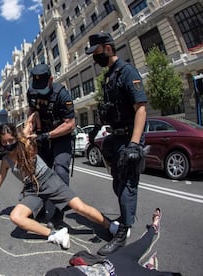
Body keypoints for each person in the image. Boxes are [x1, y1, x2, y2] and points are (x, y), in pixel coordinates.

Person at [0, 118, 118, 249]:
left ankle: (111, 226)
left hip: (49, 180)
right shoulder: (6, 161)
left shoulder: (25, 145)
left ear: (15, 138)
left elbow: (30, 123)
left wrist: (32, 121)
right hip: (32, 189)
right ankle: (55, 234)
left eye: (10, 140)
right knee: (16, 216)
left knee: (80, 207)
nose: (8, 144)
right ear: (0, 143)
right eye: (4, 142)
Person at [85, 32, 148, 256]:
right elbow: (110, 108)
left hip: (129, 137)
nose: (95, 57)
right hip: (116, 137)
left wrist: (134, 145)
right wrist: (96, 127)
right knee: (118, 183)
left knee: (127, 186)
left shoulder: (127, 71)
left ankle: (122, 234)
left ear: (108, 48)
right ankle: (126, 217)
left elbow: (140, 108)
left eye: (97, 52)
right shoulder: (110, 76)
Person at [45, 208, 182, 276]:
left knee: (143, 242)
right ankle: (147, 268)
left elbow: (55, 273)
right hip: (122, 272)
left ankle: (153, 228)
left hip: (112, 262)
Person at [26, 63, 76, 228]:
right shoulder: (31, 92)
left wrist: (47, 135)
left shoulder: (62, 94)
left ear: (51, 80)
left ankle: (59, 213)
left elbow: (70, 124)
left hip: (60, 136)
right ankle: (38, 206)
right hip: (42, 136)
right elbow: (32, 112)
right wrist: (31, 129)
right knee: (38, 172)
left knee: (60, 168)